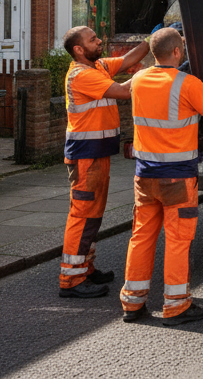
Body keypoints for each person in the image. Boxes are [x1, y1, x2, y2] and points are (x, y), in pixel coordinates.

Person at [120, 28, 203, 326]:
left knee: (141, 236)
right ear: (178, 53)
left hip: (144, 177)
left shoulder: (139, 80)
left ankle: (132, 302)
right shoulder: (187, 84)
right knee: (178, 240)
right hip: (178, 179)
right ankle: (176, 305)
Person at [57, 24, 151, 299]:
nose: (99, 42)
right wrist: (151, 72)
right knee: (82, 215)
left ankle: (85, 268)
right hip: (86, 156)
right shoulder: (82, 75)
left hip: (96, 154)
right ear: (78, 49)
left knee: (94, 215)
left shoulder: (97, 67)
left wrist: (151, 41)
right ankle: (71, 280)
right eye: (93, 39)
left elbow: (127, 60)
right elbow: (124, 92)